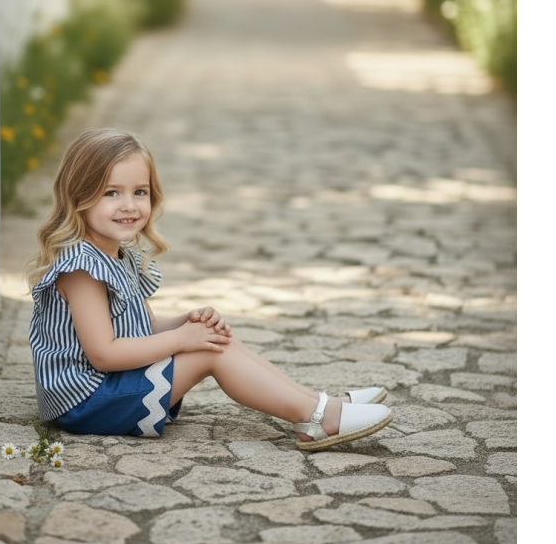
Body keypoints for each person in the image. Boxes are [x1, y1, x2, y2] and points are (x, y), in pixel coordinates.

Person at [26, 129, 393, 450]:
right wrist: (184, 340)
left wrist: (185, 323)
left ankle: (316, 402)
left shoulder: (115, 255)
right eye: (111, 193)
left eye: (140, 192)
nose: (129, 206)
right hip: (89, 402)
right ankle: (315, 419)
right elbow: (104, 354)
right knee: (209, 353)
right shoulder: (82, 270)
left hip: (111, 388)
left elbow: (141, 330)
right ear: (79, 197)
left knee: (217, 340)